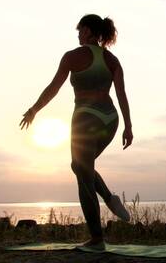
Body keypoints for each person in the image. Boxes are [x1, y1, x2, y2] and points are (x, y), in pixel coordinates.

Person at [19, 14, 133, 250]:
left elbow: (54, 87)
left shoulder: (72, 56)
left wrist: (33, 110)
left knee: (82, 173)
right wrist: (128, 126)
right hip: (110, 120)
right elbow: (121, 94)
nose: (78, 34)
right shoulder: (112, 59)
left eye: (80, 30)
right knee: (81, 166)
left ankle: (97, 239)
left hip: (85, 118)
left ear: (90, 31)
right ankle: (110, 199)